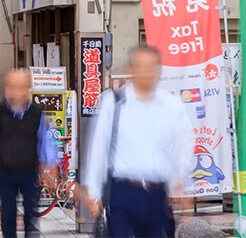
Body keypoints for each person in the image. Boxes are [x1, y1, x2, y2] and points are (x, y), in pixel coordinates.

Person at [83, 45, 194, 237]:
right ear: (131, 70)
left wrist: (181, 180)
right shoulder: (115, 103)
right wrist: (93, 191)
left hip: (158, 194)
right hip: (123, 193)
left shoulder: (171, 105)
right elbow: (100, 146)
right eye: (141, 66)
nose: (147, 72)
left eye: (152, 67)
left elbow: (184, 144)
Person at [0, 69, 59, 238]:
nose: (16, 91)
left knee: (30, 216)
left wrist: (50, 164)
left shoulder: (37, 112)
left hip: (29, 171)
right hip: (5, 171)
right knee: (8, 214)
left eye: (20, 87)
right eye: (11, 87)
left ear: (28, 89)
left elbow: (45, 139)